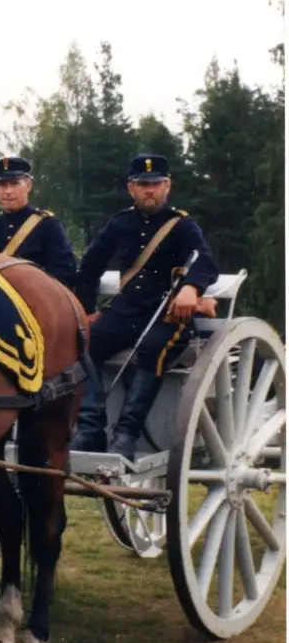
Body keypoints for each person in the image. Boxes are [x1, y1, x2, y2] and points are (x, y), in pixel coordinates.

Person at [71, 153, 219, 460]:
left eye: (155, 184)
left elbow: (204, 261)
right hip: (125, 312)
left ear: (167, 186)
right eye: (142, 184)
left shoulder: (182, 226)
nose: (148, 190)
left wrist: (190, 288)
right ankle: (90, 429)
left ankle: (126, 434)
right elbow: (89, 268)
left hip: (167, 316)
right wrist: (83, 311)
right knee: (81, 343)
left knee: (154, 347)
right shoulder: (119, 224)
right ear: (131, 188)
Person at [0, 155, 77, 287]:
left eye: (15, 183)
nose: (8, 191)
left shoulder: (47, 226)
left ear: (28, 185)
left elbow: (64, 273)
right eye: (2, 184)